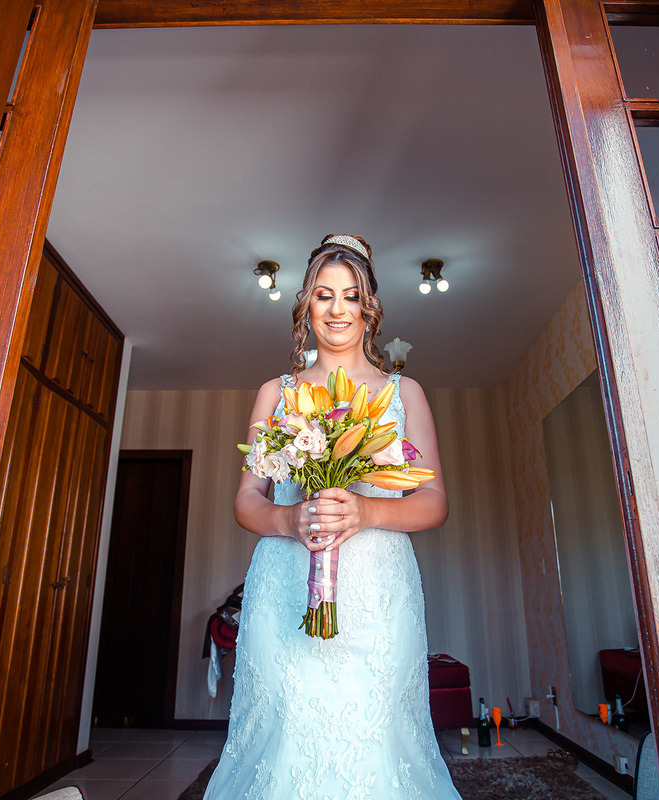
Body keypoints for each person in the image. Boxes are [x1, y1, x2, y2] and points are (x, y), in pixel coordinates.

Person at [201, 235, 462, 799]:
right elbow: (248, 499)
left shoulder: (404, 393)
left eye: (350, 295)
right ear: (307, 306)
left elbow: (434, 501)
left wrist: (366, 509)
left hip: (376, 595)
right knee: (285, 734)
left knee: (377, 737)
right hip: (285, 587)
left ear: (369, 307)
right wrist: (289, 520)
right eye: (324, 295)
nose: (337, 309)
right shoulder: (276, 393)